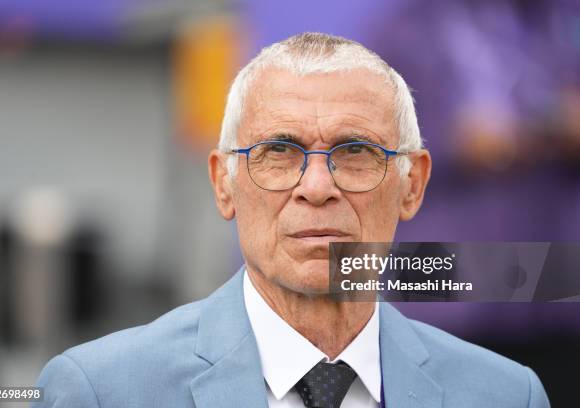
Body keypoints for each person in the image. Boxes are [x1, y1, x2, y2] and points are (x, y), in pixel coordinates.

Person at [33, 33, 550, 408]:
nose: (318, 188)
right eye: (279, 151)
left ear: (412, 185)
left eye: (355, 152)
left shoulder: (506, 395)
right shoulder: (101, 391)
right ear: (224, 183)